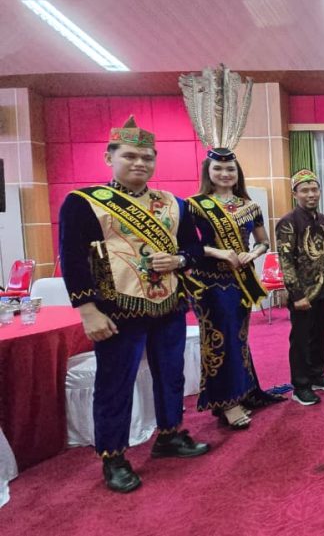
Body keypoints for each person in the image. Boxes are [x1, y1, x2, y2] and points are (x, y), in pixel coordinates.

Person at [59, 116, 209, 494]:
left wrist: (179, 260)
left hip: (168, 304)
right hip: (116, 308)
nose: (140, 163)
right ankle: (113, 456)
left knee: (171, 375)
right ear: (109, 157)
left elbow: (194, 248)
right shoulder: (84, 203)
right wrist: (87, 310)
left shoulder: (174, 204)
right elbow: (74, 260)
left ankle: (170, 435)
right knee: (115, 383)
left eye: (147, 157)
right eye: (130, 156)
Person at [187, 148, 280, 430]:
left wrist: (254, 253)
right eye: (218, 169)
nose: (225, 174)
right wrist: (218, 252)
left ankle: (244, 390)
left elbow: (263, 241)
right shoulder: (194, 205)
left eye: (230, 169)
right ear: (208, 172)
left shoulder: (249, 206)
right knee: (219, 339)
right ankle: (227, 402)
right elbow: (187, 245)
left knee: (238, 338)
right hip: (209, 282)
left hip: (241, 282)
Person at [276, 169, 324, 406]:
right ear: (295, 194)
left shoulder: (323, 220)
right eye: (305, 190)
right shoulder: (288, 222)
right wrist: (296, 294)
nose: (311, 194)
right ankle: (300, 386)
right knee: (301, 340)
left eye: (314, 189)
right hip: (302, 293)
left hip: (323, 289)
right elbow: (286, 261)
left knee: (320, 335)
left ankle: (317, 375)